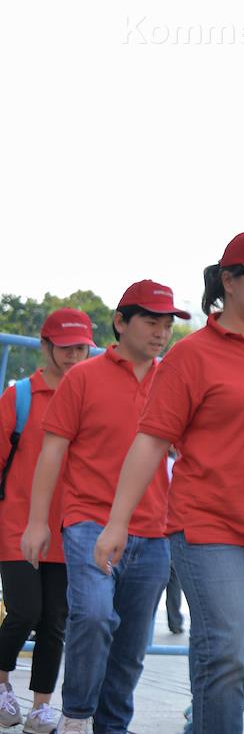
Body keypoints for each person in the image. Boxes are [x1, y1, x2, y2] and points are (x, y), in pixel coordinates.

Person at [93, 230, 244, 734]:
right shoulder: (191, 355)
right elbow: (150, 442)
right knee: (224, 653)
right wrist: (117, 523)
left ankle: (203, 722)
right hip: (208, 526)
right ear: (229, 280)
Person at [21, 281, 189, 734]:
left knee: (131, 644)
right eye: (151, 321)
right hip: (88, 521)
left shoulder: (174, 380)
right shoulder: (83, 377)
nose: (161, 332)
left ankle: (112, 726)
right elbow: (51, 452)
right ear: (120, 322)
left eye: (167, 323)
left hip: (154, 529)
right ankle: (77, 715)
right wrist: (37, 523)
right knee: (93, 615)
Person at [0, 309, 93, 734]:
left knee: (55, 620)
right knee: (25, 611)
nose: (74, 355)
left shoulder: (91, 396)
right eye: (65, 347)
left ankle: (40, 706)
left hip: (70, 528)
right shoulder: (19, 397)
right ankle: (2, 683)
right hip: (17, 525)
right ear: (45, 346)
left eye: (81, 347)